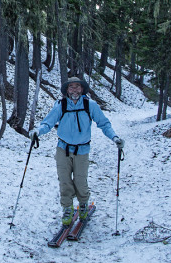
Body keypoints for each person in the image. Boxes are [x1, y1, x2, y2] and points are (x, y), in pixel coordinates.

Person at [30, 76, 124, 225]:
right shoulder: (61, 105)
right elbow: (47, 123)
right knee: (65, 181)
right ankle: (67, 208)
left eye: (77, 87)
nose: (74, 89)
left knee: (80, 181)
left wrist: (115, 138)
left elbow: (104, 124)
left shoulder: (90, 105)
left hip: (82, 150)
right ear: (67, 90)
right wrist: (37, 132)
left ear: (82, 89)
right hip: (63, 149)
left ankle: (83, 204)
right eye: (71, 87)